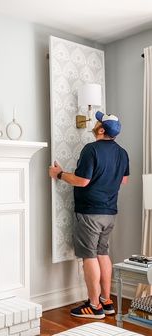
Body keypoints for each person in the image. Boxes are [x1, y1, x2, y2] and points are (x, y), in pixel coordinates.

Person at [49, 111, 129, 319]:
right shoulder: (122, 153)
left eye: (98, 121)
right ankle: (106, 300)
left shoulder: (91, 149)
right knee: (103, 253)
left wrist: (59, 174)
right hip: (110, 212)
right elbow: (123, 181)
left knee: (89, 256)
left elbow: (82, 181)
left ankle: (94, 307)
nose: (95, 123)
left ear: (101, 130)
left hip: (90, 212)